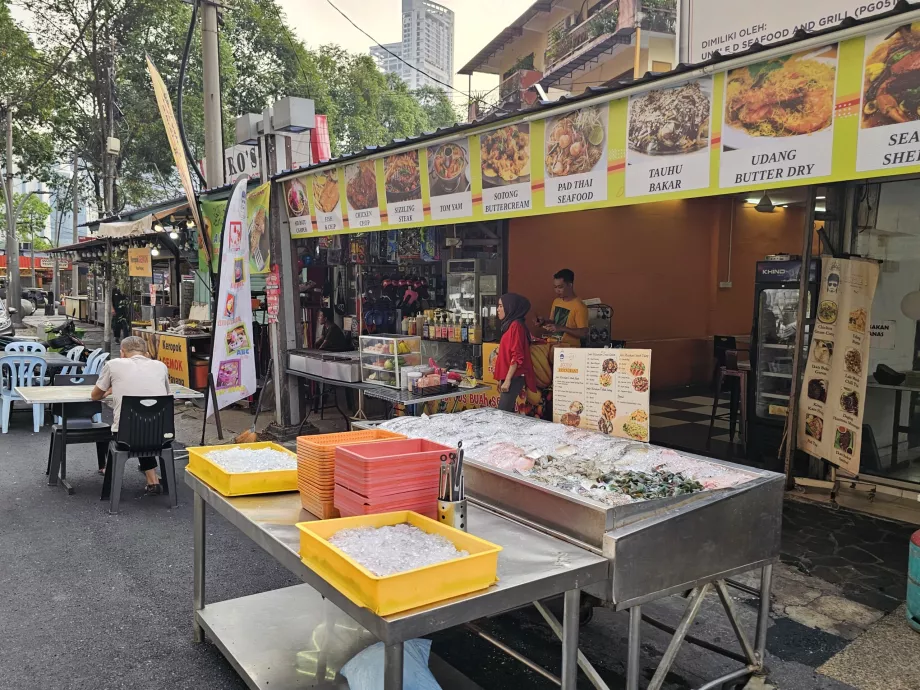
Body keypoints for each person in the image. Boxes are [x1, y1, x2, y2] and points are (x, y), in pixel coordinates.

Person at [91, 335, 170, 496]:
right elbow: (166, 395)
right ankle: (153, 481)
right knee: (145, 424)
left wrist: (109, 390)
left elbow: (95, 396)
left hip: (126, 437)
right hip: (161, 436)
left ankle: (111, 478)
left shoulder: (113, 365)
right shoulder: (161, 366)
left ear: (122, 353)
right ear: (146, 353)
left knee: (132, 426)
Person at [494, 293, 537, 413]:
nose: (498, 309)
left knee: (503, 413)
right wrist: (501, 379)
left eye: (501, 306)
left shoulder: (516, 326)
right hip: (509, 376)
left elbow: (517, 356)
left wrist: (507, 380)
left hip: (514, 377)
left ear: (510, 307)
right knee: (508, 414)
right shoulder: (509, 326)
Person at [536, 268, 589, 348]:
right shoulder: (556, 301)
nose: (557, 290)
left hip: (569, 349)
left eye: (560, 287)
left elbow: (583, 333)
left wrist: (562, 328)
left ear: (570, 285)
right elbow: (553, 322)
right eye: (555, 287)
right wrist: (543, 322)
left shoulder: (579, 306)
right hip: (553, 345)